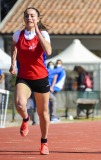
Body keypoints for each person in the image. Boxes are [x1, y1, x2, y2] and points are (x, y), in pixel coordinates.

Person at [9, 7, 52, 155]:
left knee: (43, 113)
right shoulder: (17, 35)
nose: (29, 18)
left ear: (38, 19)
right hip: (24, 76)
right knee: (20, 104)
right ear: (24, 19)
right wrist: (13, 63)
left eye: (33, 16)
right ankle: (26, 118)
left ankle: (44, 142)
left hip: (40, 77)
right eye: (27, 16)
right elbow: (13, 47)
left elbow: (49, 51)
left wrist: (38, 32)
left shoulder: (44, 34)